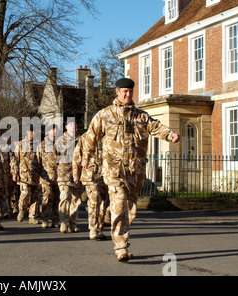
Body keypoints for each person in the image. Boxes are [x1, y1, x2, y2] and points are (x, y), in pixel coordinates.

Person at [82, 77, 180, 262]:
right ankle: (121, 246)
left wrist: (170, 134)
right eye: (124, 91)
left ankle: (115, 220)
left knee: (130, 209)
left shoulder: (141, 116)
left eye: (130, 91)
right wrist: (86, 158)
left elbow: (156, 127)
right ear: (117, 92)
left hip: (135, 172)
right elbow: (91, 136)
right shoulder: (105, 115)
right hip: (114, 171)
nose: (128, 95)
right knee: (119, 205)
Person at [73, 132, 109, 240]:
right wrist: (76, 174)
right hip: (90, 175)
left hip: (104, 175)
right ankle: (93, 229)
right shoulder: (84, 138)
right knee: (94, 201)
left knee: (103, 202)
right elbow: (77, 157)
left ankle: (100, 228)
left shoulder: (108, 135)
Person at [55, 118, 82, 233]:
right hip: (64, 174)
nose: (72, 126)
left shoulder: (81, 140)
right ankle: (63, 221)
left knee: (76, 200)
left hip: (78, 174)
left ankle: (72, 222)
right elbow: (53, 158)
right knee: (65, 197)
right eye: (70, 124)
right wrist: (54, 172)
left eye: (74, 124)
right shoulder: (60, 141)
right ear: (66, 127)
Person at [13, 127, 41, 224]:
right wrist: (14, 172)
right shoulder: (21, 144)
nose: (32, 133)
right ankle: (22, 209)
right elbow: (15, 159)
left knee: (35, 196)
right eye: (30, 131)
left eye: (34, 131)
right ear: (26, 132)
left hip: (36, 175)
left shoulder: (38, 145)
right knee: (25, 194)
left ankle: (32, 216)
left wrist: (40, 174)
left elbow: (41, 161)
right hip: (24, 175)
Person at [36, 124, 60, 228]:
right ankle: (45, 218)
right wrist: (37, 175)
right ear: (47, 132)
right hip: (45, 177)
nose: (54, 131)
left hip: (59, 176)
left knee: (57, 198)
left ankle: (56, 219)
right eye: (52, 130)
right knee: (47, 196)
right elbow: (37, 162)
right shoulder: (42, 146)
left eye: (56, 130)